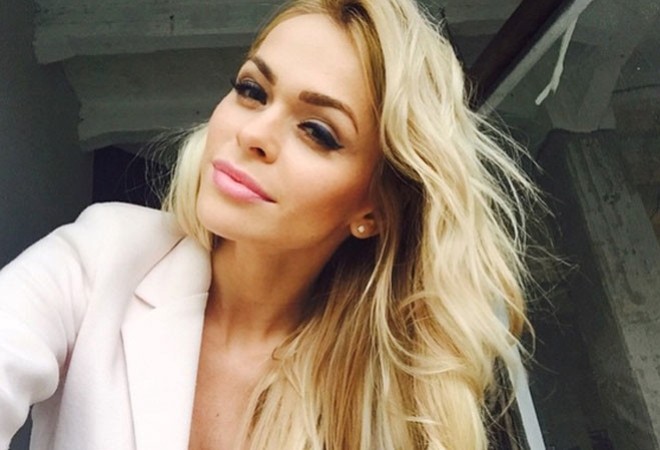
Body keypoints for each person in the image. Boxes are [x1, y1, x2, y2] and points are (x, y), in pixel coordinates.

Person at [0, 0, 538, 448]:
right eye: (252, 90)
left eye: (317, 132)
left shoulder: (385, 406)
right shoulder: (105, 254)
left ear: (372, 211)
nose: (254, 132)